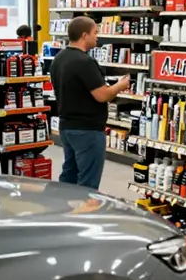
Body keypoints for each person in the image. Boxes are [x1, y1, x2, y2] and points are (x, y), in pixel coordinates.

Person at [50, 16, 130, 190]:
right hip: (87, 130)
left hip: (67, 126)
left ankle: (62, 206)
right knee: (88, 183)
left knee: (69, 175)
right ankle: (84, 208)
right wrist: (120, 85)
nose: (97, 37)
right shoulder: (85, 62)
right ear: (84, 35)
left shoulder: (59, 58)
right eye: (95, 33)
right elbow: (102, 95)